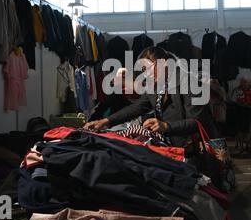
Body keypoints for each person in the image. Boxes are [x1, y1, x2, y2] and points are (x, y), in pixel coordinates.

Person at [84, 46, 217, 147]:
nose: (146, 74)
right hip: (173, 144)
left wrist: (165, 126)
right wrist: (105, 121)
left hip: (195, 149)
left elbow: (198, 122)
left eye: (149, 69)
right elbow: (138, 107)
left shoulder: (189, 82)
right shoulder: (157, 85)